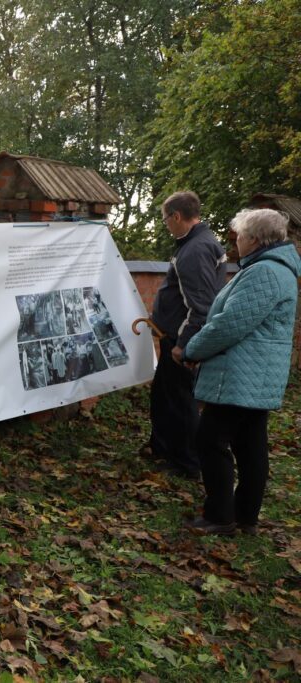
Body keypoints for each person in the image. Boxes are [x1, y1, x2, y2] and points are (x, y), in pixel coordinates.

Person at [182, 209, 300, 535]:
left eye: (241, 235)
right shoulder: (274, 268)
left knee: (210, 440)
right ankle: (245, 516)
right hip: (254, 374)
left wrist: (193, 349)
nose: (236, 241)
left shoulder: (265, 272)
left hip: (241, 375)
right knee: (249, 445)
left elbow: (229, 324)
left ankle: (220, 516)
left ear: (255, 239)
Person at [145, 191, 228, 479]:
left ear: (177, 216)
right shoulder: (202, 242)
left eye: (165, 219)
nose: (166, 224)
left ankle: (187, 463)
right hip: (175, 336)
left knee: (180, 403)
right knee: (165, 397)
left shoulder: (194, 251)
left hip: (180, 341)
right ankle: (163, 449)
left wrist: (183, 345)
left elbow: (200, 307)